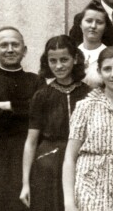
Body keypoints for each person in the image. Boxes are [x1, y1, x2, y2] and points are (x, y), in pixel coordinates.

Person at [62, 47, 113, 211]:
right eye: (107, 69)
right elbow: (70, 157)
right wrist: (69, 202)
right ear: (99, 71)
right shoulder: (86, 106)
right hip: (88, 190)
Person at [0, 27, 44, 211]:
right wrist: (25, 108)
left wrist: (6, 106)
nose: (10, 49)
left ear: (24, 50)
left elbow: (40, 117)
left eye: (15, 44)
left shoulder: (37, 82)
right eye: (4, 45)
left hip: (28, 156)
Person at [20, 36, 90, 211]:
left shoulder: (89, 94)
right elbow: (31, 141)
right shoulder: (42, 96)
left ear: (75, 59)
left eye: (64, 59)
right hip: (47, 166)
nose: (58, 66)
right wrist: (25, 183)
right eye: (53, 61)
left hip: (81, 164)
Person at [76, 1, 109, 88]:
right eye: (89, 21)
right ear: (80, 24)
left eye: (99, 22)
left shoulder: (109, 55)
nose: (93, 26)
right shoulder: (73, 54)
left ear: (105, 27)